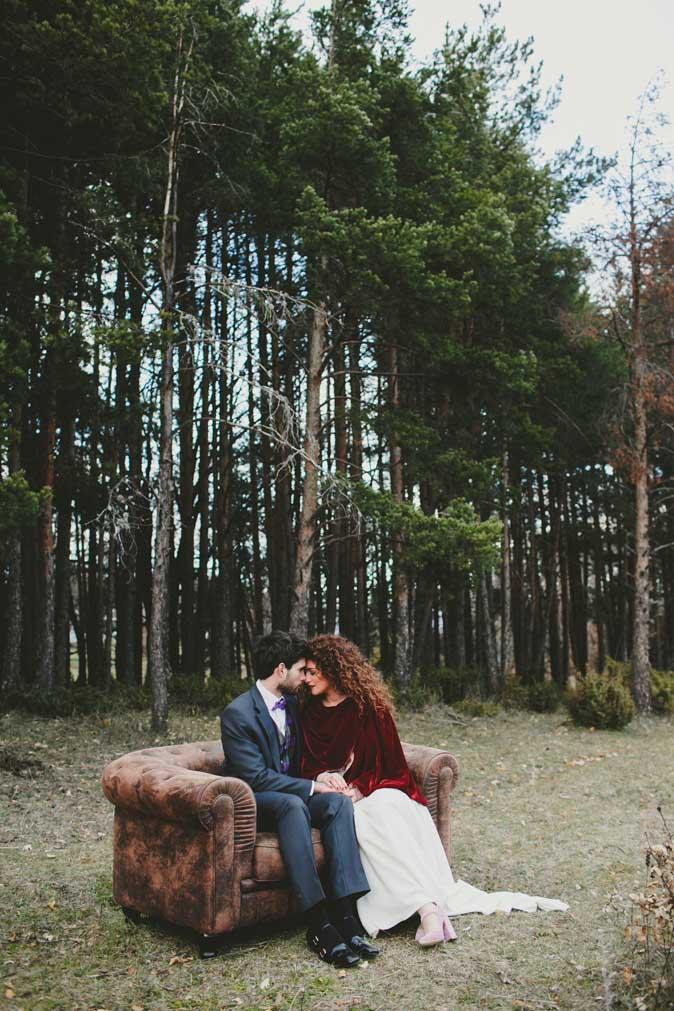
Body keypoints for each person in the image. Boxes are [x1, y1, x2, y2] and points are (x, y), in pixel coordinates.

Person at [300, 634, 569, 947]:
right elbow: (303, 763)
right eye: (303, 672)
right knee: (363, 819)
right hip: (338, 801)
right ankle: (429, 909)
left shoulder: (370, 708)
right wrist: (324, 777)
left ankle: (427, 908)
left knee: (384, 809)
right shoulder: (309, 714)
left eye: (311, 671)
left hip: (379, 790)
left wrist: (359, 789)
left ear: (333, 669)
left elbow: (393, 766)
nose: (305, 679)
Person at [219, 630, 380, 967]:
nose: (304, 679)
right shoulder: (238, 713)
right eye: (299, 670)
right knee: (293, 804)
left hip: (294, 793)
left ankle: (346, 913)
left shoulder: (293, 705)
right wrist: (310, 787)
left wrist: (323, 777)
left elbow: (308, 753)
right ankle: (318, 922)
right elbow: (255, 777)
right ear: (281, 670)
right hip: (257, 802)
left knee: (337, 803)